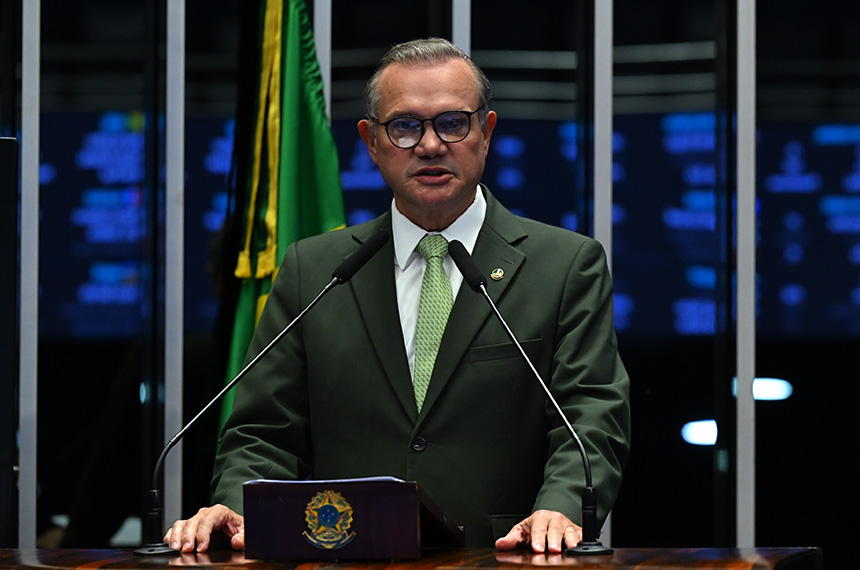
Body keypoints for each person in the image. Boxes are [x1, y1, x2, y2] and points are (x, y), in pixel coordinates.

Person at [165, 37, 630, 555]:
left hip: (507, 559)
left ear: (486, 132)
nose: (430, 145)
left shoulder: (564, 265)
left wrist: (562, 507)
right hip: (349, 560)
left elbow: (591, 415)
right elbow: (264, 431)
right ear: (371, 141)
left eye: (453, 123)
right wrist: (238, 505)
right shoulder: (314, 271)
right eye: (405, 127)